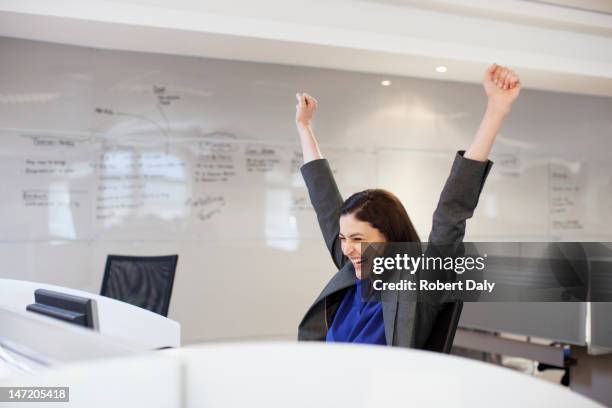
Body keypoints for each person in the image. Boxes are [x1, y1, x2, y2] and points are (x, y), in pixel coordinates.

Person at [295, 64, 521, 348]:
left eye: (357, 239)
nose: (347, 248)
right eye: (343, 238)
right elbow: (324, 198)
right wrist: (304, 127)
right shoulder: (352, 268)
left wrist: (496, 109)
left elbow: (451, 211)